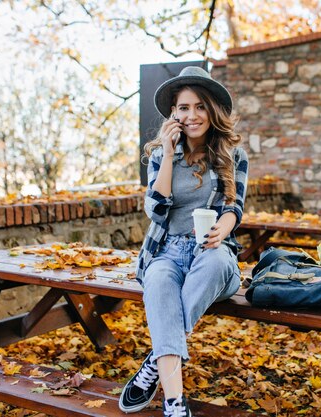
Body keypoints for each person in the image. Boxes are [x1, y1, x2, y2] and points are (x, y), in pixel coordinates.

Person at [119, 66, 249, 417]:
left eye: (199, 106)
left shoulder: (232, 154)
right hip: (167, 251)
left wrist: (223, 228)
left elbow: (233, 207)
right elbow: (156, 211)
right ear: (173, 113)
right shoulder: (161, 154)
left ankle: (155, 358)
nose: (191, 115)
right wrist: (167, 150)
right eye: (183, 108)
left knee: (217, 261)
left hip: (213, 253)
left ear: (212, 109)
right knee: (159, 282)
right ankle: (174, 404)